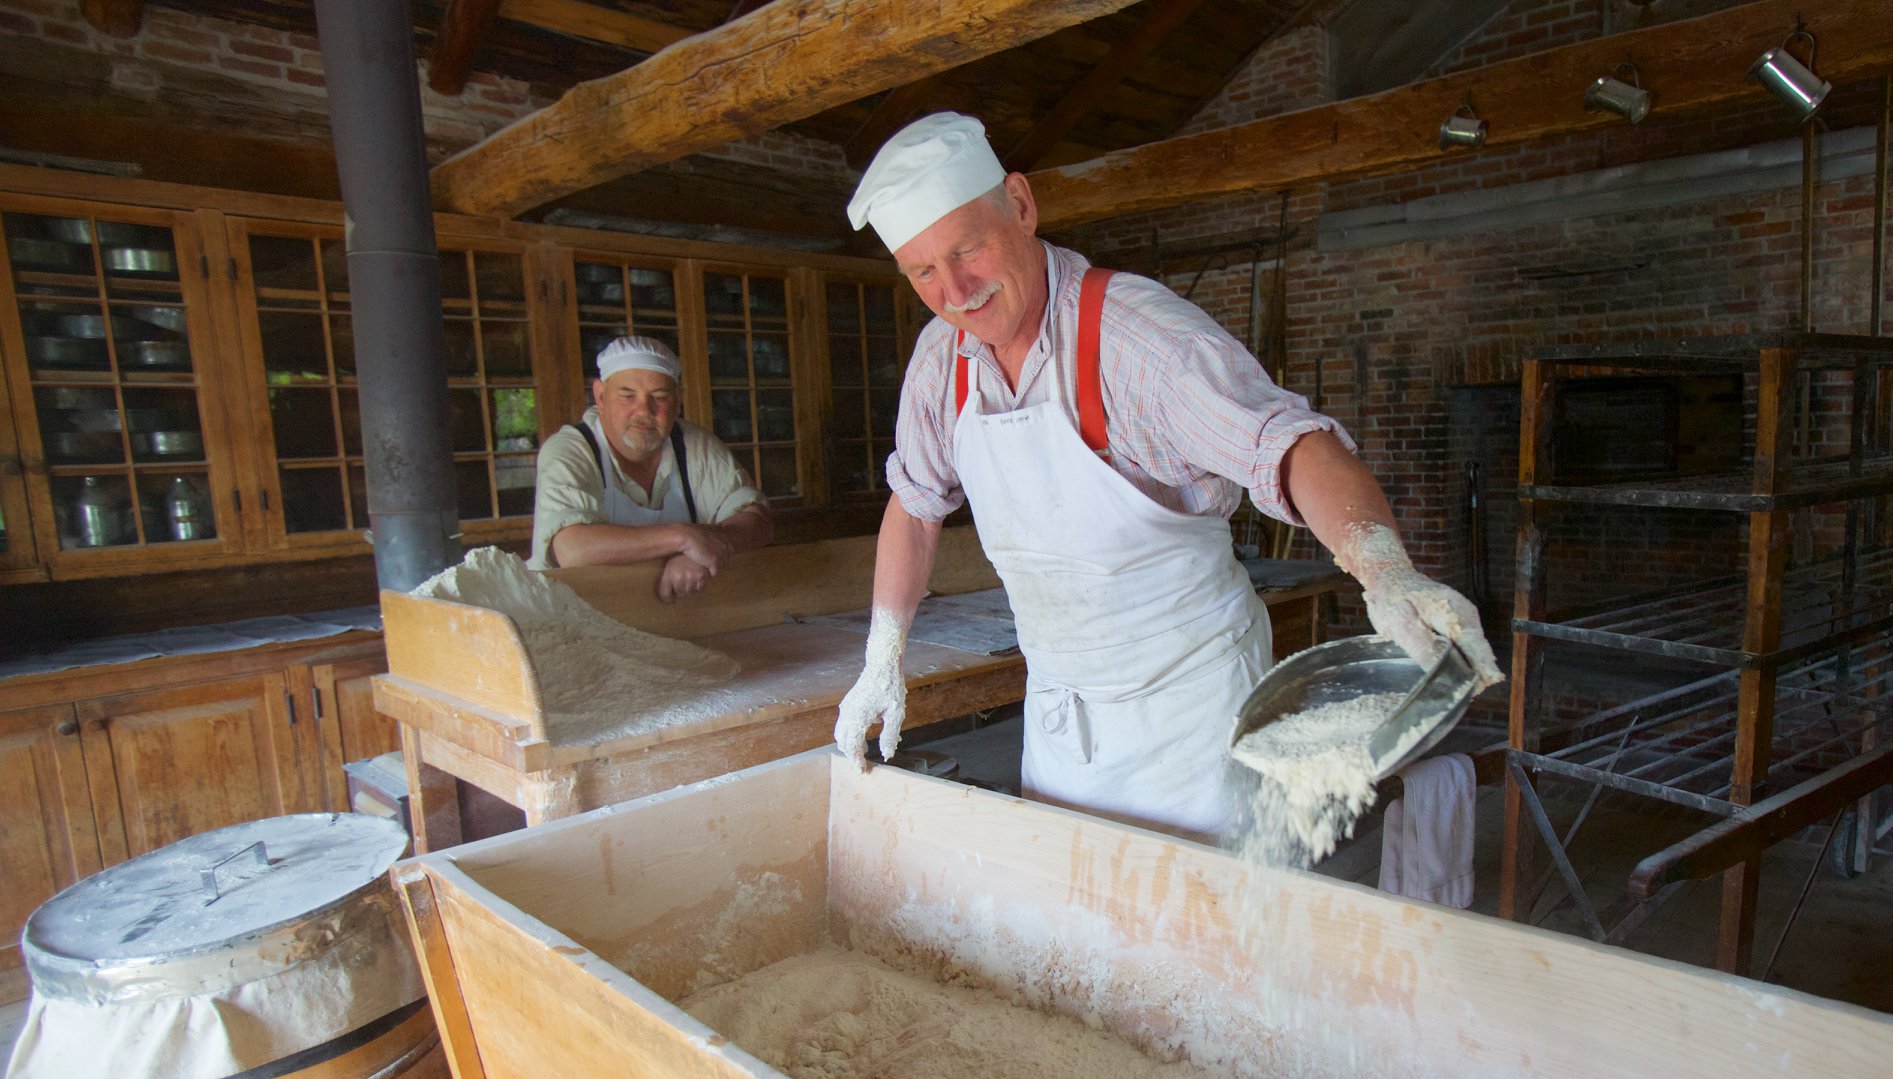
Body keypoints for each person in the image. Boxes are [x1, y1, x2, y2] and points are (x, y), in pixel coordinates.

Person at [832, 112, 1503, 842]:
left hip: (1192, 709)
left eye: (969, 250)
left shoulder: (1137, 339)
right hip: (1061, 707)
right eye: (923, 272)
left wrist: (1386, 573)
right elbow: (915, 502)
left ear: (1020, 208)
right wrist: (882, 656)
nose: (955, 289)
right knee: (1075, 921)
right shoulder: (942, 362)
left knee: (1200, 935)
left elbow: (1291, 447)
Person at [529, 335, 772, 600]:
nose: (644, 410)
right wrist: (683, 538)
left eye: (659, 397)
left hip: (675, 616)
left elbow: (757, 521)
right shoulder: (570, 450)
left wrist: (710, 549)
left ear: (678, 402)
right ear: (600, 396)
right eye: (627, 396)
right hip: (573, 615)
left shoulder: (695, 445)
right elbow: (572, 549)